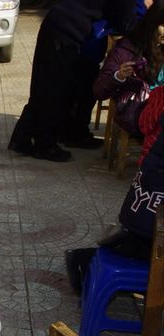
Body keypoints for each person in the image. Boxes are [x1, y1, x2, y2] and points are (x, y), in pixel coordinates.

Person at [9, 0, 139, 162]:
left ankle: (22, 139)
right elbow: (127, 24)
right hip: (67, 30)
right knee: (54, 88)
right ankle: (44, 145)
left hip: (59, 22)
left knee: (47, 85)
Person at [66, 84, 164, 294]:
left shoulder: (158, 96)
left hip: (140, 210)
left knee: (136, 245)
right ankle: (85, 259)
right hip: (149, 220)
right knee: (144, 250)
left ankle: (93, 256)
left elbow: (143, 123)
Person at [93, 2, 164, 136]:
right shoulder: (128, 49)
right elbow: (99, 91)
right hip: (140, 109)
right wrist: (119, 76)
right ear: (152, 24)